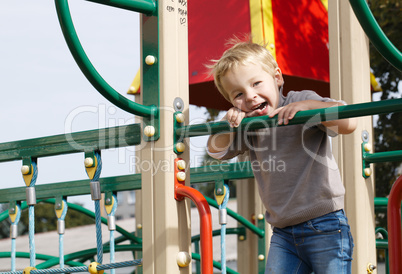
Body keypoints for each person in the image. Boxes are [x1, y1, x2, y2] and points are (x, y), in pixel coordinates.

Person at [206, 39, 357, 273]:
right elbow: (215, 151)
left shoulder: (299, 101)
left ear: (277, 77)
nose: (250, 96)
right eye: (238, 94)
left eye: (256, 83)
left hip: (325, 222)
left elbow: (348, 123)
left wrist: (310, 108)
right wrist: (228, 124)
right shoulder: (250, 124)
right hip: (283, 233)